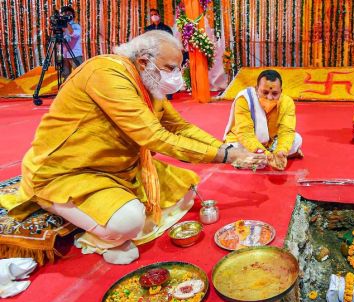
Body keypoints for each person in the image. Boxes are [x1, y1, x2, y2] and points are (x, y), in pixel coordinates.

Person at [0, 31, 266, 264]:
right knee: (128, 221)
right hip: (70, 170)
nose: (176, 77)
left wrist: (228, 148)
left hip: (120, 168)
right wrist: (227, 156)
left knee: (185, 192)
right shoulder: (106, 74)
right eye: (170, 68)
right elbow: (155, 137)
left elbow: (180, 127)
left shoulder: (148, 84)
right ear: (143, 61)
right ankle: (71, 215)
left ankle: (102, 211)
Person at [223, 69, 302, 171]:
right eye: (265, 92)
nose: (269, 97)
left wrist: (281, 151)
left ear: (281, 92)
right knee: (234, 149)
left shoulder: (287, 103)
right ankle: (262, 157)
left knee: (296, 139)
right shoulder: (245, 99)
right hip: (243, 141)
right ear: (256, 89)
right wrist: (267, 154)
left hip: (270, 142)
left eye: (274, 93)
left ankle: (266, 157)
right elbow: (245, 133)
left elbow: (286, 131)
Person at [60, 6, 82, 81]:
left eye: (68, 13)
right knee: (66, 75)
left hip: (75, 54)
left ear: (72, 15)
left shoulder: (76, 26)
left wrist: (66, 24)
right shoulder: (61, 27)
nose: (66, 15)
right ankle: (65, 90)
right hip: (64, 55)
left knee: (78, 75)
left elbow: (74, 34)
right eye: (64, 14)